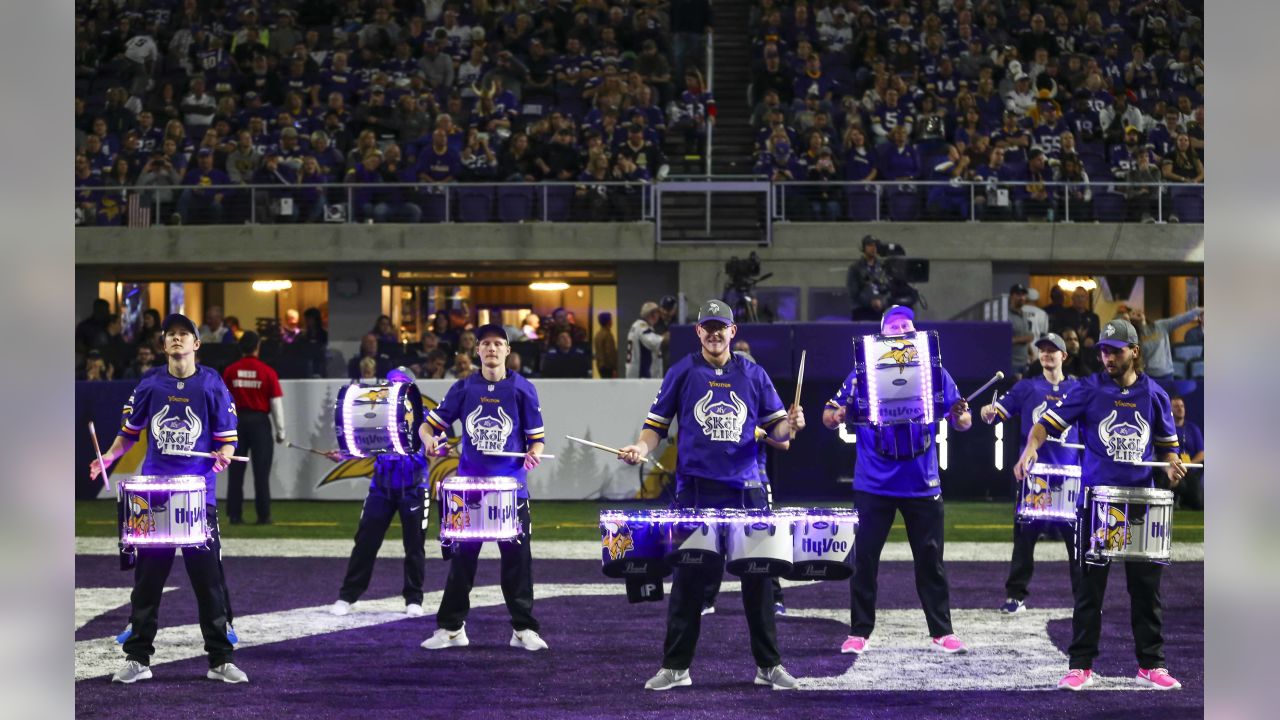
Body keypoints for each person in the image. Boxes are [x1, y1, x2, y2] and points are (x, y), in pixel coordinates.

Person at [619, 299, 805, 691]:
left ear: (733, 331)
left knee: (759, 582)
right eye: (709, 327)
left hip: (747, 491)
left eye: (722, 326)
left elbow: (778, 434)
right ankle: (676, 668)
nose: (716, 333)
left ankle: (768, 666)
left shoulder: (753, 373)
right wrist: (640, 446)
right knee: (688, 582)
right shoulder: (682, 372)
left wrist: (791, 425)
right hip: (696, 492)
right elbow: (656, 426)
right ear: (699, 332)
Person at [1015, 318, 1187, 691]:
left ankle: (1151, 664)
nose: (1107, 357)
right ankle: (1080, 665)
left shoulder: (1155, 394)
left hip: (1140, 504)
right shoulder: (1088, 389)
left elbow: (1168, 449)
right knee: (1089, 590)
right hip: (1096, 504)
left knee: (1146, 591)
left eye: (1116, 350)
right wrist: (1031, 446)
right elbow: (1045, 424)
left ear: (1135, 352)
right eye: (1104, 351)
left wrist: (1173, 470)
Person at [89, 313, 246, 684]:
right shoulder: (149, 384)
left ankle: (220, 659)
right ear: (163, 345)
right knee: (148, 581)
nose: (177, 340)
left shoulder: (212, 384)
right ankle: (138, 659)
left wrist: (224, 453)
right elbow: (129, 433)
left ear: (196, 343)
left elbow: (227, 438)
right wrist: (108, 457)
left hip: (197, 496)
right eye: (170, 335)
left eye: (184, 334)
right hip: (155, 494)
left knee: (208, 581)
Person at [822, 305, 973, 657]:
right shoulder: (861, 374)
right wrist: (839, 414)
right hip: (873, 483)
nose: (902, 329)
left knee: (930, 560)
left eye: (907, 324)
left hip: (922, 482)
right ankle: (860, 631)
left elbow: (962, 421)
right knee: (864, 561)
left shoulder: (934, 371)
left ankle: (942, 630)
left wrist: (961, 415)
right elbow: (828, 416)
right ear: (882, 334)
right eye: (895, 325)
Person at [419, 324, 549, 652]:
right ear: (477, 351)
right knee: (462, 561)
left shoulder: (523, 389)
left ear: (508, 350)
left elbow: (536, 441)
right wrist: (431, 441)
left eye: (498, 344)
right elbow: (427, 426)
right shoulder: (464, 388)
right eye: (486, 344)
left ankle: (523, 629)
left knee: (518, 560)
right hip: (470, 491)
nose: (492, 349)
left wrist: (533, 456)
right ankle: (451, 629)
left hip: (511, 491)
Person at [979, 333, 1082, 614]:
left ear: (1065, 356)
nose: (1047, 354)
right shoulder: (1026, 388)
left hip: (1069, 479)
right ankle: (1015, 596)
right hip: (1034, 478)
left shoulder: (1079, 389)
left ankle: (1084, 601)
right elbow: (995, 414)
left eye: (1053, 350)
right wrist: (987, 411)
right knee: (1024, 540)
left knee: (1078, 546)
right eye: (1043, 350)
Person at [328, 367, 430, 618]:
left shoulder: (425, 416)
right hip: (381, 487)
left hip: (414, 488)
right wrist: (342, 454)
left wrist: (437, 448)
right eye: (391, 383)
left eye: (401, 383)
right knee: (365, 542)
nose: (394, 388)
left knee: (414, 546)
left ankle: (413, 598)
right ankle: (347, 596)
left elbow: (437, 444)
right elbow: (363, 444)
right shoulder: (374, 414)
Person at [222, 332, 286, 525]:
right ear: (257, 347)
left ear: (240, 347)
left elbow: (223, 402)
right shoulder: (267, 371)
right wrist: (281, 431)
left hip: (236, 424)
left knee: (235, 473)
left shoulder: (231, 371)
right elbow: (276, 404)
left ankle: (234, 515)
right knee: (261, 472)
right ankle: (263, 515)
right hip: (260, 424)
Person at [1131, 306, 1203, 390]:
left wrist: (1199, 310)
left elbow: (1181, 319)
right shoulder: (1134, 336)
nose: (1136, 313)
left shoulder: (1160, 325)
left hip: (1167, 374)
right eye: (1133, 313)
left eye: (1137, 311)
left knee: (1167, 401)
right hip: (1149, 376)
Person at [1170, 395, 1204, 510]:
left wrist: (1188, 464)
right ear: (1170, 410)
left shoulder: (1193, 428)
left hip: (1190, 469)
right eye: (1176, 406)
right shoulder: (1167, 427)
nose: (1180, 409)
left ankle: (1183, 501)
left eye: (1182, 406)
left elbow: (1202, 453)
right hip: (1172, 468)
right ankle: (1175, 499)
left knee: (1198, 504)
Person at [846, 235, 890, 320]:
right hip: (861, 311)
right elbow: (853, 292)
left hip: (881, 310)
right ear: (863, 248)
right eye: (870, 245)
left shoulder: (882, 267)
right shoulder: (855, 267)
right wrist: (870, 302)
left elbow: (888, 289)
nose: (873, 248)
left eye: (875, 245)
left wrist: (882, 302)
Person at [625, 301, 666, 379]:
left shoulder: (638, 326)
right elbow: (652, 342)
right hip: (641, 376)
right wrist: (669, 336)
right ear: (652, 314)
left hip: (637, 376)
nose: (659, 316)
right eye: (657, 313)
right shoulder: (641, 326)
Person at [1008, 284, 1035, 378]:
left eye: (1023, 295)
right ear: (1012, 296)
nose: (1022, 297)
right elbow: (1003, 341)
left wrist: (1031, 353)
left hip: (1024, 363)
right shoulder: (1005, 315)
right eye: (1018, 294)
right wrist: (1025, 338)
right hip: (1012, 364)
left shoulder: (1023, 314)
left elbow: (1026, 337)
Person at [593, 312, 618, 378]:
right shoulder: (608, 335)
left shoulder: (597, 335)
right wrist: (614, 368)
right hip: (608, 367)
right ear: (609, 321)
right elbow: (610, 353)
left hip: (600, 366)